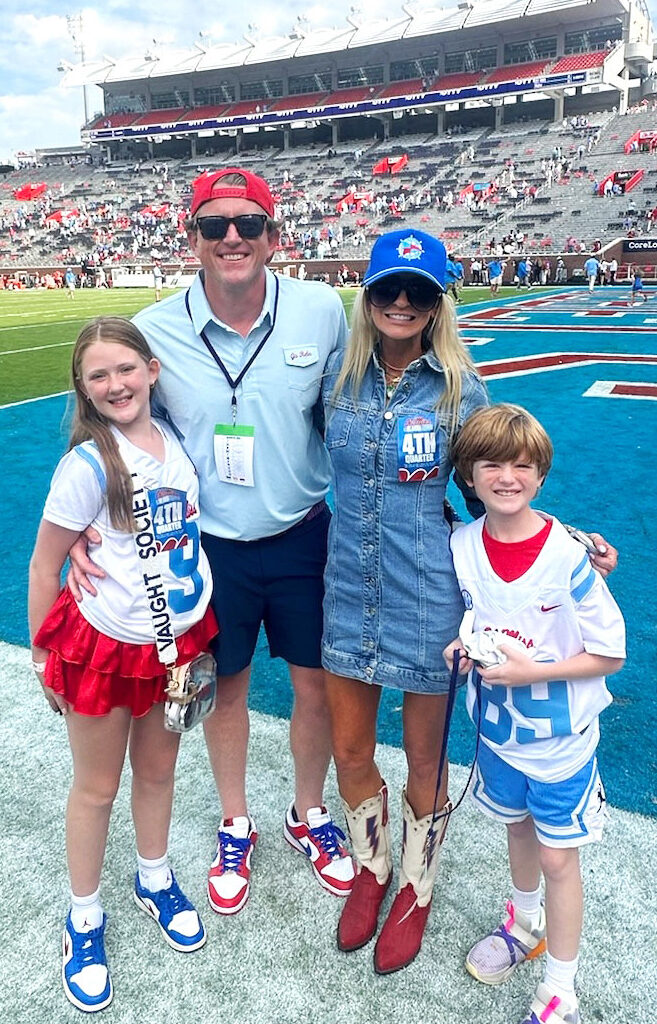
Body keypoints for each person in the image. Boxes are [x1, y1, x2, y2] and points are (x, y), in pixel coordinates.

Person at [68, 168, 355, 917]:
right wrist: (78, 530)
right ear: (190, 238)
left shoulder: (323, 308)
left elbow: (348, 412)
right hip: (207, 546)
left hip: (301, 530)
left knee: (313, 684)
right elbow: (113, 423)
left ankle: (306, 812)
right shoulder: (155, 326)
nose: (233, 237)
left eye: (249, 224)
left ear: (275, 236)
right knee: (220, 688)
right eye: (215, 225)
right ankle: (236, 821)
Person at [28, 317, 217, 1013]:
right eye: (98, 375)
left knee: (160, 771)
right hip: (106, 644)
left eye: (125, 369)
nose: (115, 384)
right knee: (97, 787)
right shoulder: (85, 463)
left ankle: (153, 875)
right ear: (82, 388)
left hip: (174, 642)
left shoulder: (176, 441)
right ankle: (83, 917)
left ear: (152, 370)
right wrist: (43, 654)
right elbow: (45, 561)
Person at [322, 229, 489, 975]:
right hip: (345, 588)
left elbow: (495, 489)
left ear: (436, 302)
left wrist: (559, 542)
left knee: (424, 758)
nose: (400, 302)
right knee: (351, 749)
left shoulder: (460, 389)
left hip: (427, 594)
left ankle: (416, 885)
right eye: (387, 288)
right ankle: (372, 865)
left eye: (417, 291)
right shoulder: (335, 378)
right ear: (367, 296)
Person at [443, 403, 625, 1024]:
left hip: (559, 740)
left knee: (557, 856)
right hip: (497, 733)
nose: (507, 476)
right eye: (491, 463)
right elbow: (477, 616)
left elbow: (610, 651)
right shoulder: (464, 544)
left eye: (522, 465)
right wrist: (464, 649)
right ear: (468, 473)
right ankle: (523, 926)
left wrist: (532, 672)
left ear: (541, 474)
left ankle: (562, 989)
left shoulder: (568, 554)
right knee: (516, 829)